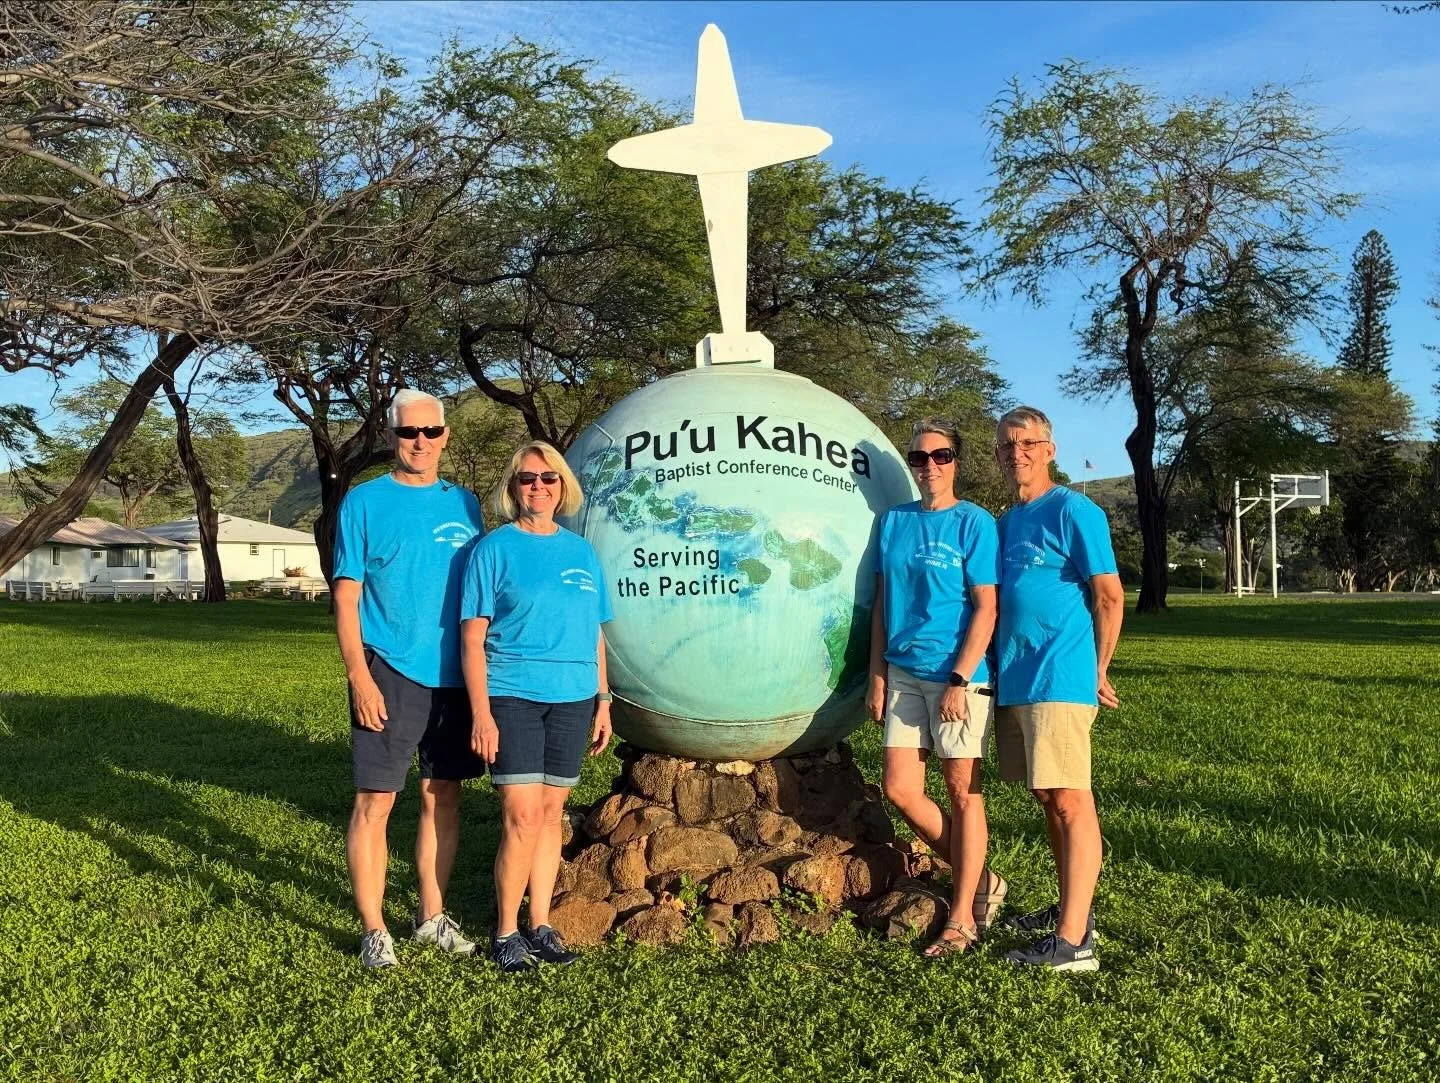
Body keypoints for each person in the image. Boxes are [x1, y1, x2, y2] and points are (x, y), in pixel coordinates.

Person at [333, 389, 488, 969]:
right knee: (376, 800)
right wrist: (359, 676)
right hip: (389, 670)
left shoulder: (467, 506)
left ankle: (430, 915)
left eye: (430, 432)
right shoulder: (363, 503)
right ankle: (375, 929)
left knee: (441, 794)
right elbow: (346, 597)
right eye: (408, 433)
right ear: (392, 436)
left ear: (445, 435)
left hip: (454, 676)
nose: (419, 442)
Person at [461, 440, 614, 973]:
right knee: (521, 817)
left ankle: (541, 924)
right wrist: (480, 712)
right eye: (528, 478)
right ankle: (505, 932)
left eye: (549, 479)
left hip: (574, 698)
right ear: (513, 487)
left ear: (562, 487)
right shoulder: (493, 550)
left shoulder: (581, 552)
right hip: (512, 695)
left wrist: (603, 699)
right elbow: (472, 637)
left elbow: (595, 631)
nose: (539, 487)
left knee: (551, 817)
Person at [866, 418, 1006, 958]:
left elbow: (986, 606)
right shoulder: (894, 522)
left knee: (961, 791)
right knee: (902, 789)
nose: (930, 467)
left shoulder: (974, 522)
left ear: (956, 462)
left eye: (941, 456)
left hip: (957, 675)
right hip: (903, 670)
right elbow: (883, 602)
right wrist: (877, 672)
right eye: (920, 458)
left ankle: (963, 914)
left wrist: (959, 678)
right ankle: (984, 881)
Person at [991, 406, 1124, 972]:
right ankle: (1074, 908)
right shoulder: (1004, 522)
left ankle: (1073, 943)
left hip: (1060, 676)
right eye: (1007, 444)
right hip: (1016, 677)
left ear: (1049, 449)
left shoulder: (1074, 510)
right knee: (1047, 795)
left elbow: (1109, 595)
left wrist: (1096, 669)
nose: (1017, 452)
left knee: (1071, 799)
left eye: (1028, 443)